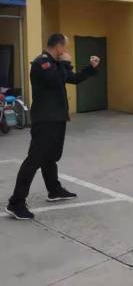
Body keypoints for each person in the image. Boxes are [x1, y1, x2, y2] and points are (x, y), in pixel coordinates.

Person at [5, 33, 100, 220]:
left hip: (56, 118)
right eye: (65, 47)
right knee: (34, 160)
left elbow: (72, 78)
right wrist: (65, 63)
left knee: (50, 157)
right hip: (45, 119)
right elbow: (57, 80)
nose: (66, 51)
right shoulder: (42, 63)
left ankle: (54, 190)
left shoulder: (55, 64)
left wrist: (91, 68)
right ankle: (16, 202)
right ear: (58, 47)